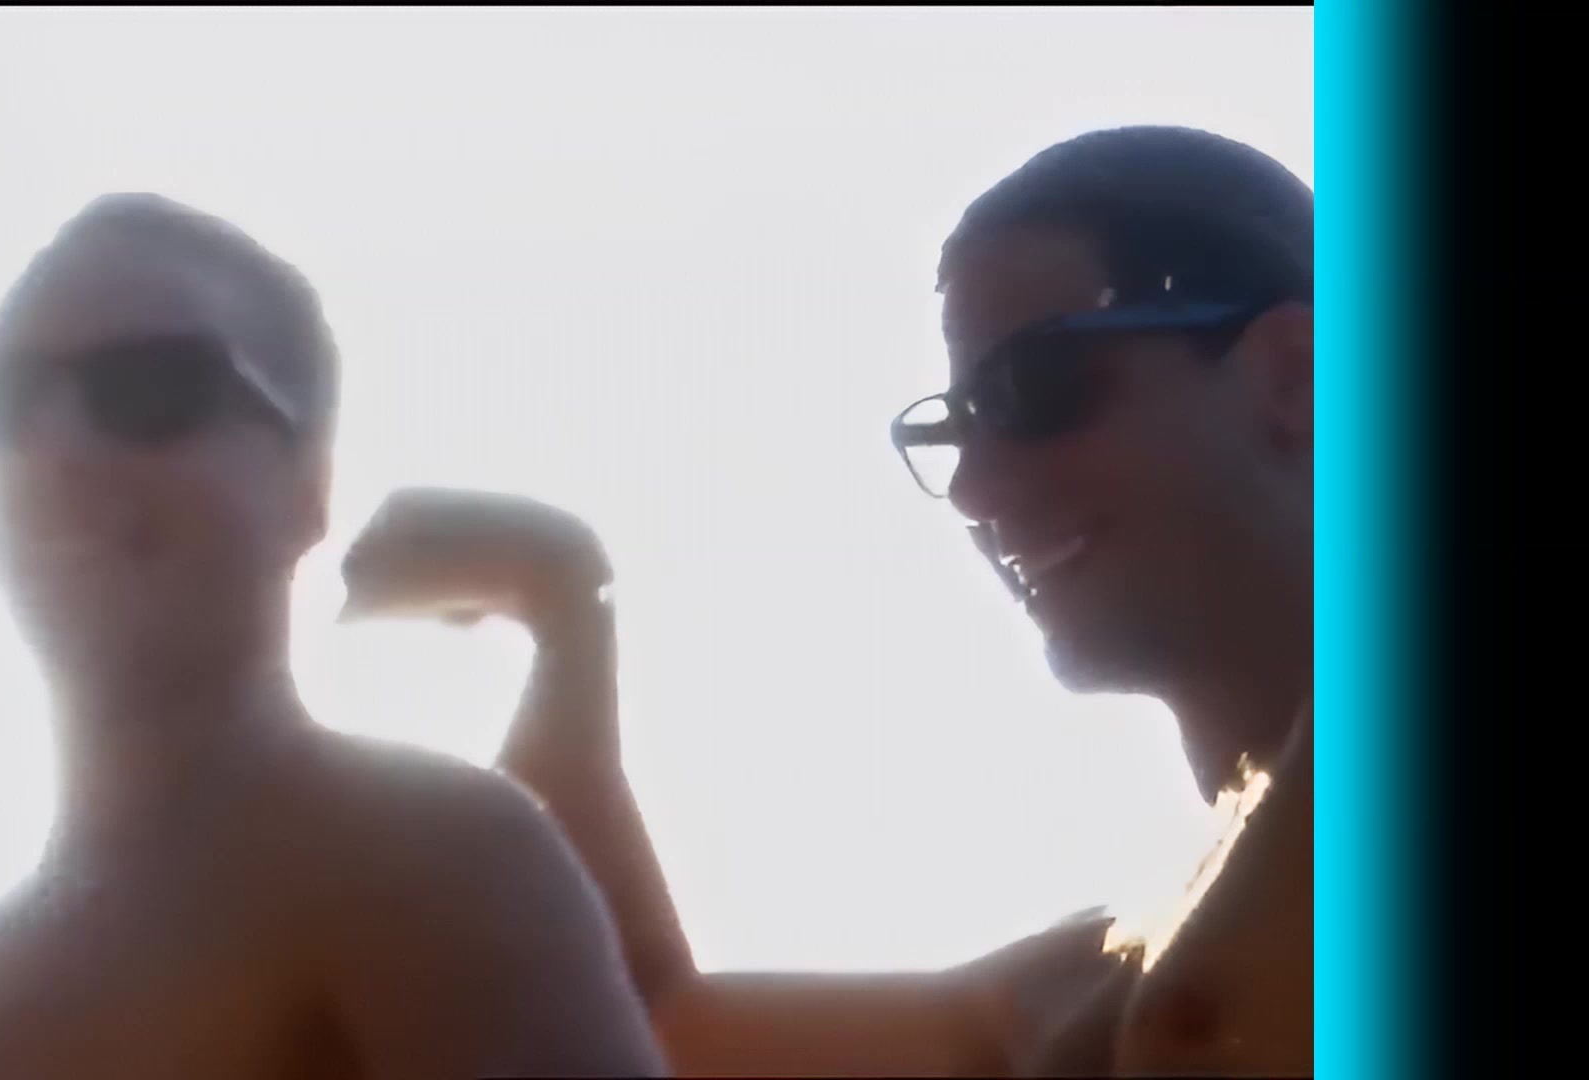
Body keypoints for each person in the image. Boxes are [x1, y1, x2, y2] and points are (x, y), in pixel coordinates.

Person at [338, 125, 1314, 1076]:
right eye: (953, 428)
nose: (974, 489)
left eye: (1035, 387)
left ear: (1297, 375)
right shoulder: (1112, 986)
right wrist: (562, 611)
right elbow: (644, 1028)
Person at [0, 194, 667, 1080]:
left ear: (308, 488)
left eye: (148, 388)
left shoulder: (422, 864)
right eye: (7, 401)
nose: (55, 447)